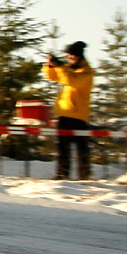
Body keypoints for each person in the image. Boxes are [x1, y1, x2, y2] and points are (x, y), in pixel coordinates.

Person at [42, 41, 94, 181]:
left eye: (71, 55)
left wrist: (60, 67)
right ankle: (62, 175)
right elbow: (51, 76)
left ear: (79, 55)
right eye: (68, 56)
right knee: (62, 149)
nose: (69, 58)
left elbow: (71, 81)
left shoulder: (86, 72)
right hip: (64, 114)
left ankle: (85, 177)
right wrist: (51, 65)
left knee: (82, 150)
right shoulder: (68, 69)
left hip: (79, 116)